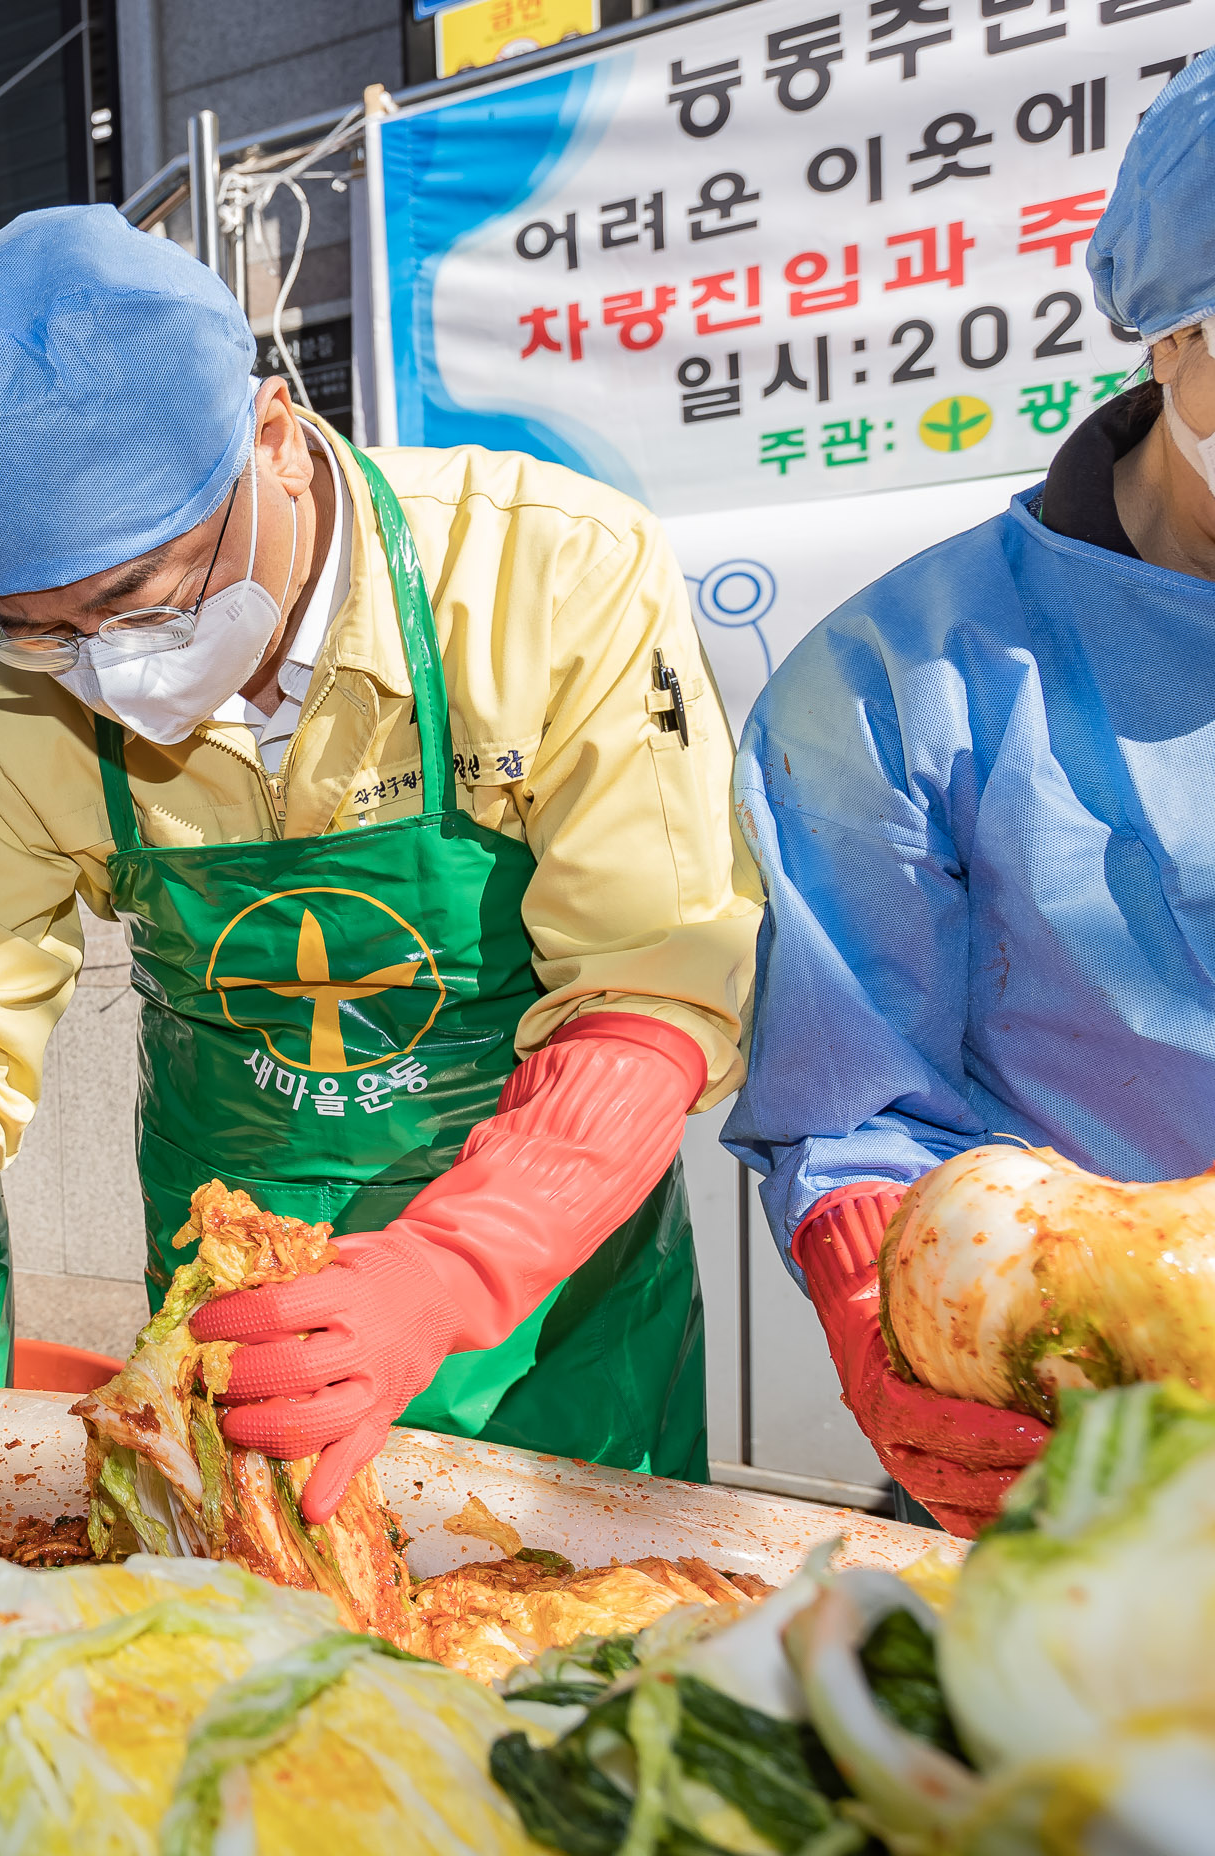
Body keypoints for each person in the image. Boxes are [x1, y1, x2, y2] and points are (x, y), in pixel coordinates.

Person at [0, 206, 757, 1607]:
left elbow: (651, 982)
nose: (108, 666)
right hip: (223, 1328)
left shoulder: (547, 575)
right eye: (44, 628)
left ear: (268, 434)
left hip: (539, 1306)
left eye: (142, 595)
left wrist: (436, 1280)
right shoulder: (10, 705)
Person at [722, 56, 1215, 1538]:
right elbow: (857, 1097)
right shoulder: (903, 678)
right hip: (1087, 1442)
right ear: (1172, 339)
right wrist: (883, 1298)